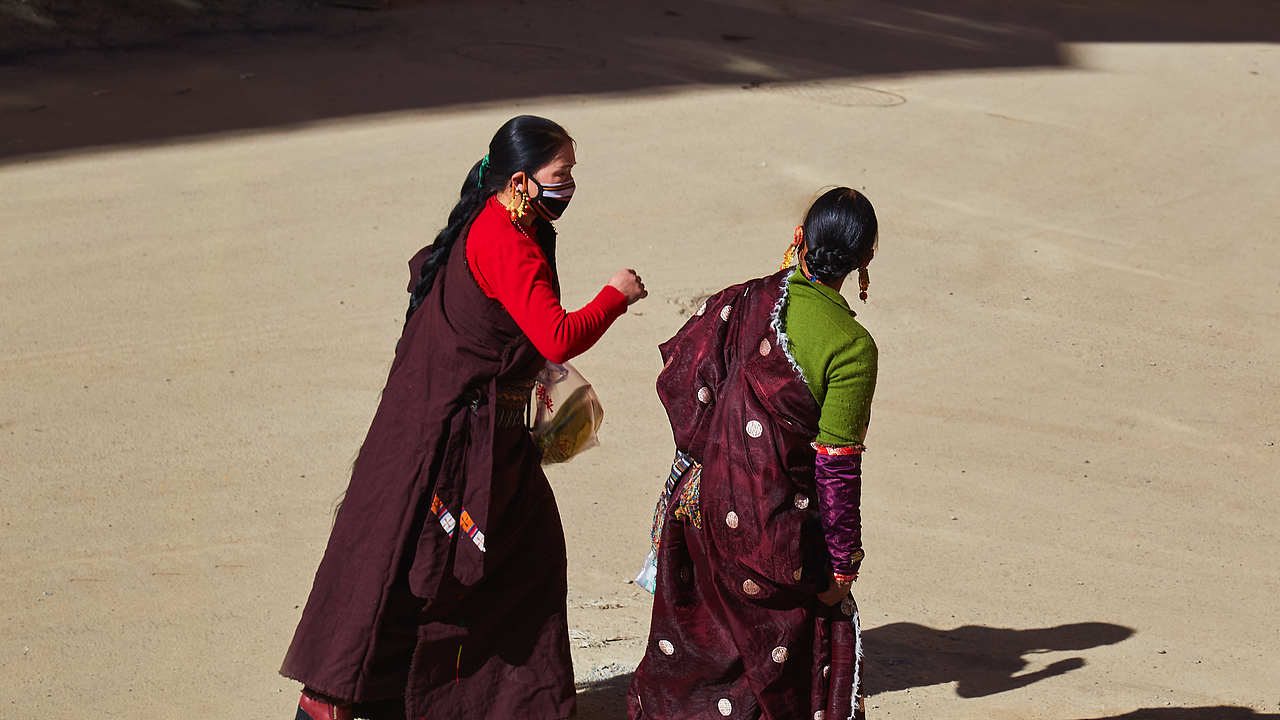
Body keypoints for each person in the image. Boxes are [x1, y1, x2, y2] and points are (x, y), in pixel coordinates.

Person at [282, 115, 647, 720]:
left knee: (514, 567)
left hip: (481, 439)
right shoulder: (504, 241)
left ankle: (515, 703)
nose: (572, 186)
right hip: (456, 449)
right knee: (422, 574)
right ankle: (332, 701)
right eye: (564, 174)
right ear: (524, 181)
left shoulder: (503, 219)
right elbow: (555, 336)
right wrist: (615, 297)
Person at [631, 187, 879, 720]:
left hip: (695, 510)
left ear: (798, 240)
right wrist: (843, 566)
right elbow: (836, 468)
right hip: (771, 540)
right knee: (778, 678)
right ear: (866, 261)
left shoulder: (743, 300)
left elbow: (681, 382)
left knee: (695, 670)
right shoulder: (852, 347)